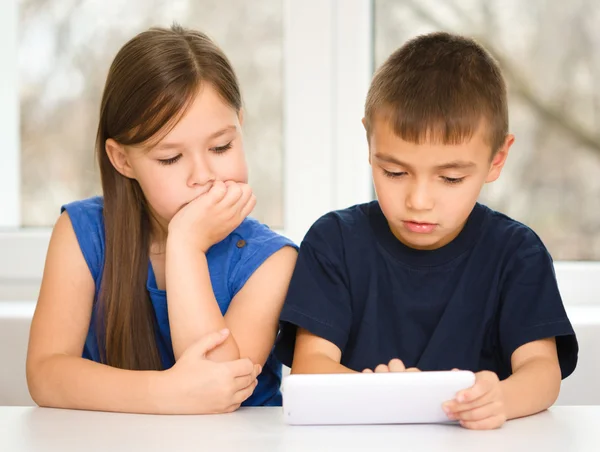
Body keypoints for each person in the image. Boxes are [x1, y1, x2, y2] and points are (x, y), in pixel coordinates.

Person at [274, 31, 578, 430]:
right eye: (395, 172)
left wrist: (500, 398)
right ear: (369, 141)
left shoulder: (517, 254)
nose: (418, 200)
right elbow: (311, 368)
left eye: (450, 178)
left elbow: (542, 372)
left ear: (497, 159)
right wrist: (395, 398)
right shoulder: (335, 242)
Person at [26, 24, 297, 414]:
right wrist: (167, 391)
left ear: (241, 123)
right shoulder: (82, 233)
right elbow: (45, 374)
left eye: (221, 146)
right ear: (122, 160)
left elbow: (218, 387)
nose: (203, 175)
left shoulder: (272, 261)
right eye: (170, 158)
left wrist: (186, 244)